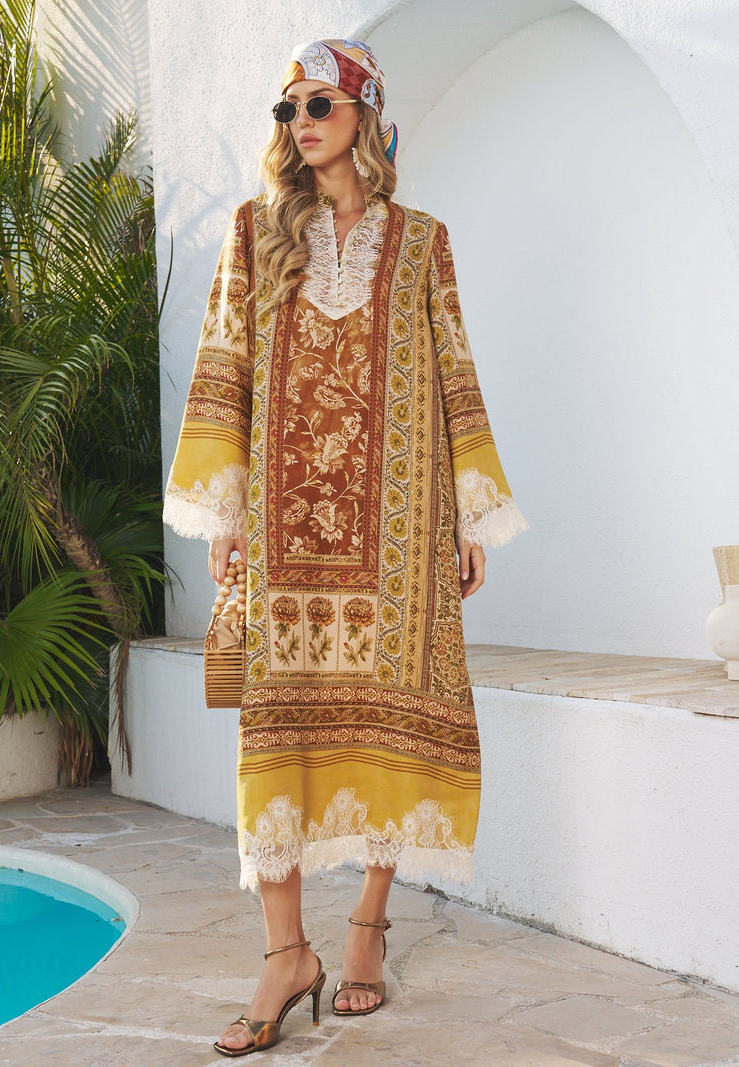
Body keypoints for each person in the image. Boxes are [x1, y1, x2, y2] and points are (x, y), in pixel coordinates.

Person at [163, 38, 528, 1058]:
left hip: (400, 529)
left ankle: (366, 924)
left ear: (365, 114)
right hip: (283, 528)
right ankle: (286, 954)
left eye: (320, 103)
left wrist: (469, 513)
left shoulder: (423, 242)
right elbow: (223, 366)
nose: (302, 123)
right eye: (288, 110)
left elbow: (454, 372)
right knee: (273, 726)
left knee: (392, 712)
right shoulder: (255, 232)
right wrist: (225, 513)